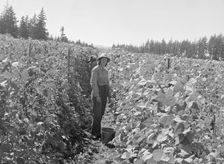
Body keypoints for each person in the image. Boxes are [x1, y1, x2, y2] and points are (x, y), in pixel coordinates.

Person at [90, 53, 112, 140]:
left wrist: (109, 96)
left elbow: (107, 83)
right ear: (99, 61)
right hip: (98, 92)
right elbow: (93, 83)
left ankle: (98, 132)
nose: (104, 61)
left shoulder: (106, 71)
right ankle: (94, 133)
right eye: (103, 60)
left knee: (101, 113)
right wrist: (97, 95)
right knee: (97, 114)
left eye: (106, 60)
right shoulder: (95, 70)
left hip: (104, 92)